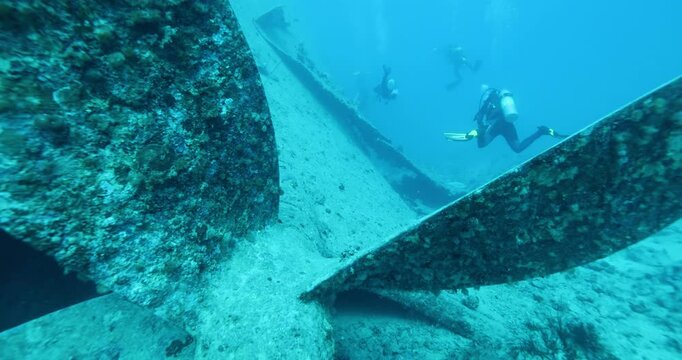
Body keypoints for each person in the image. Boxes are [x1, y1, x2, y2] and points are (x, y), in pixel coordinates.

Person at [444, 86, 567, 153]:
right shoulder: (502, 99)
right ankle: (542, 131)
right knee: (517, 148)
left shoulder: (488, 98)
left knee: (481, 145)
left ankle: (477, 133)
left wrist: (479, 129)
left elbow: (480, 115)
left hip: (495, 125)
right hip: (508, 124)